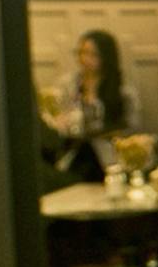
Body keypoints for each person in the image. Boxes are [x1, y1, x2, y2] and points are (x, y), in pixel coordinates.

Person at [53, 28, 140, 180]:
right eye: (81, 53)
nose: (85, 59)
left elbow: (132, 124)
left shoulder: (121, 88)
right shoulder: (68, 84)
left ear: (105, 56)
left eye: (92, 54)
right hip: (75, 152)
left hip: (108, 154)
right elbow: (58, 115)